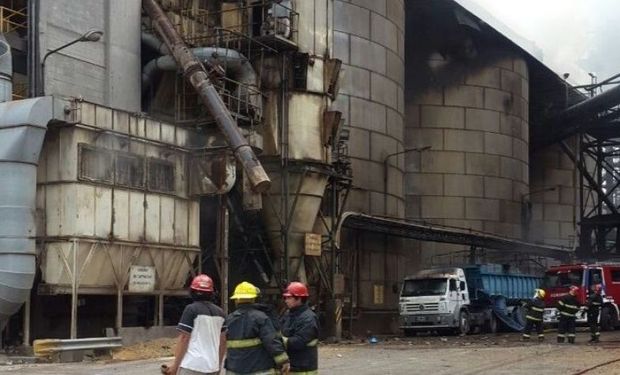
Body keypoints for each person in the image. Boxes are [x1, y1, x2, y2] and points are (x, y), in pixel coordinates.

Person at [165, 274, 226, 375]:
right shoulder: (221, 313)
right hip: (212, 367)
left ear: (192, 292)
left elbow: (184, 338)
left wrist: (175, 366)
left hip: (193, 366)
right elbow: (223, 341)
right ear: (211, 293)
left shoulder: (191, 309)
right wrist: (218, 367)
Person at [225, 281, 290, 375]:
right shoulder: (261, 318)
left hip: (234, 371)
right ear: (253, 299)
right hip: (258, 370)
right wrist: (283, 361)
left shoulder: (229, 319)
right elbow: (271, 341)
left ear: (236, 300)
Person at [281, 282, 319, 374]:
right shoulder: (288, 315)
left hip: (303, 369)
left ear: (299, 299)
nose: (286, 300)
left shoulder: (309, 318)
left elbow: (299, 342)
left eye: (289, 298)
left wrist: (277, 340)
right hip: (292, 368)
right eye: (285, 298)